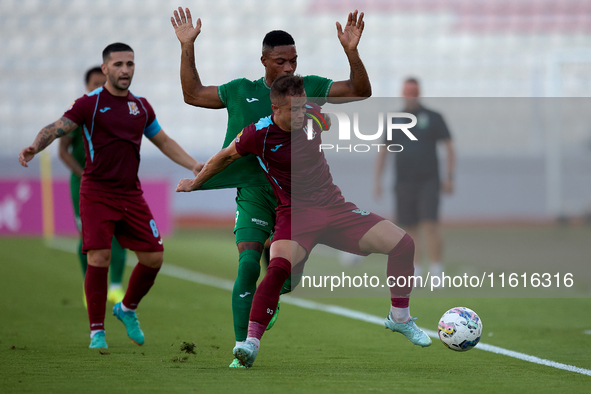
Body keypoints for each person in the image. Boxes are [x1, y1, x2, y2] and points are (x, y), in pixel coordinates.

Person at [177, 74, 431, 369]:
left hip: (334, 208)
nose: (301, 114)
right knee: (276, 270)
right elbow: (224, 158)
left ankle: (400, 318)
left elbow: (329, 120)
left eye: (302, 107)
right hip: (294, 215)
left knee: (402, 244)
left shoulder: (313, 115)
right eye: (293, 110)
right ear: (275, 109)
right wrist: (195, 184)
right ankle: (250, 343)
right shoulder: (256, 134)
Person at [171, 7, 372, 368]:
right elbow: (193, 94)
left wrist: (352, 52)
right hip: (254, 192)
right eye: (281, 61)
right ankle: (242, 349)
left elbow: (359, 90)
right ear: (264, 60)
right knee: (248, 261)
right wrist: (188, 46)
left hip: (299, 201)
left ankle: (270, 298)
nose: (289, 69)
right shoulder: (240, 91)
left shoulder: (305, 87)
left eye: (293, 61)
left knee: (288, 279)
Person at [19, 43, 202, 349]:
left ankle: (126, 308)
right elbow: (57, 128)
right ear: (105, 69)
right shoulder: (89, 103)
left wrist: (194, 164)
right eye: (118, 64)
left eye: (130, 64)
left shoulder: (141, 106)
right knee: (99, 256)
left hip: (130, 194)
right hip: (97, 192)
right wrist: (35, 147)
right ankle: (97, 332)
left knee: (154, 257)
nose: (125, 70)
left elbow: (164, 140)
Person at [58, 66, 127, 307]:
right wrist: (85, 174)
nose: (99, 88)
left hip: (113, 183)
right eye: (94, 84)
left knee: (118, 232)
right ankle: (91, 287)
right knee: (88, 237)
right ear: (87, 87)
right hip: (84, 184)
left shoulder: (117, 114)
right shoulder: (78, 115)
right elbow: (62, 151)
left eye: (103, 83)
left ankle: (116, 287)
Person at [374, 77, 455, 278]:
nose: (411, 95)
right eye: (407, 91)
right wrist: (378, 180)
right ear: (403, 93)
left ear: (419, 93)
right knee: (410, 227)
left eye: (414, 91)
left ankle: (436, 269)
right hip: (403, 181)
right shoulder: (395, 119)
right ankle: (416, 270)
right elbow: (384, 151)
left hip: (429, 180)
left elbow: (449, 147)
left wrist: (450, 177)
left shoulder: (434, 117)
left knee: (430, 223)